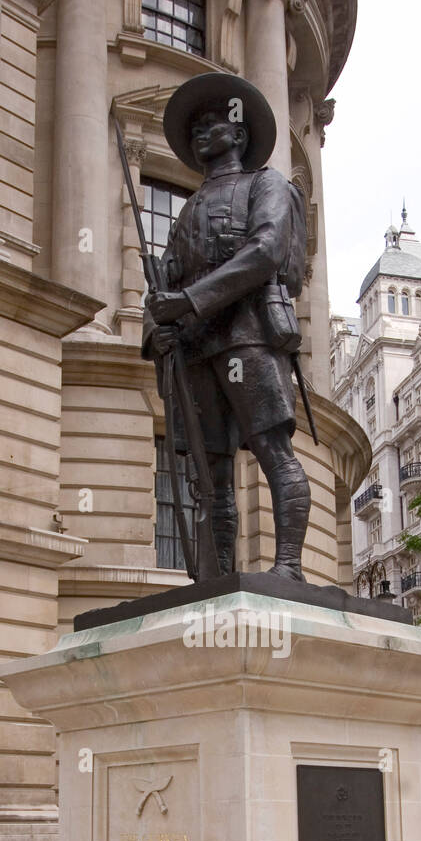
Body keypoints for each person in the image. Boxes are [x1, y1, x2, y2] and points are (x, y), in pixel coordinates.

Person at [143, 74, 311, 582]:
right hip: (195, 349)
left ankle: (288, 567)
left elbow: (264, 253)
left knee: (272, 451)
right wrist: (157, 332)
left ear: (238, 135)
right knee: (210, 478)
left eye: (211, 123)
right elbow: (161, 287)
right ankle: (215, 578)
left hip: (248, 332)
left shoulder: (268, 184)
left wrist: (188, 301)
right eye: (194, 127)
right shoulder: (187, 211)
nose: (200, 132)